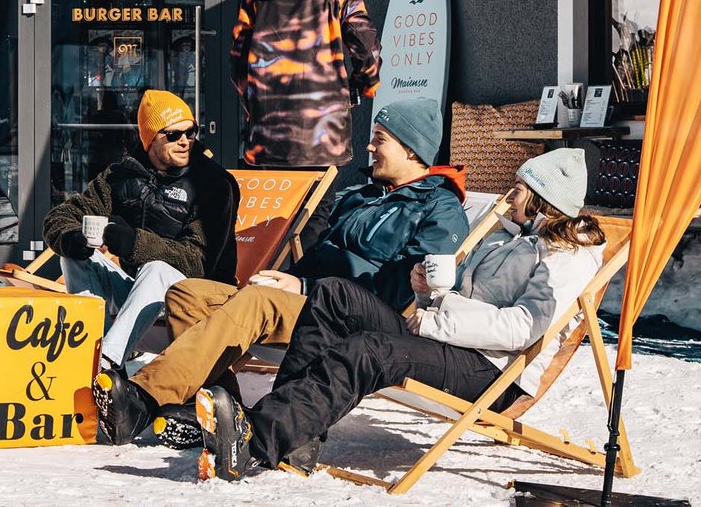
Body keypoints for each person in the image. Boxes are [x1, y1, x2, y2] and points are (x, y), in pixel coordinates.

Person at [195, 148, 606, 481]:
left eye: (518, 188)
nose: (508, 195)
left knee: (368, 350)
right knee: (334, 293)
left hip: (492, 369)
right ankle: (294, 434)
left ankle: (259, 440)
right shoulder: (506, 238)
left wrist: (437, 317)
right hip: (445, 339)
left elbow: (523, 328)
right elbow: (456, 301)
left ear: (541, 199)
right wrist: (426, 292)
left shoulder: (569, 257)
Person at [96, 99, 467, 447]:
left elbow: (403, 289)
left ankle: (142, 398)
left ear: (411, 149)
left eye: (379, 140)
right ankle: (218, 408)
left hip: (353, 318)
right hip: (306, 297)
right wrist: (287, 277)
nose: (369, 148)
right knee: (188, 294)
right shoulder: (362, 195)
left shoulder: (439, 209)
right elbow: (319, 255)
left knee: (258, 301)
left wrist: (301, 284)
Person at [43, 90, 238, 369]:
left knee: (155, 269)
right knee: (73, 257)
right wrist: (71, 237)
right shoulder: (122, 176)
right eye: (173, 135)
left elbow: (199, 262)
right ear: (150, 138)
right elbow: (62, 214)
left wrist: (134, 244)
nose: (185, 141)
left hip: (198, 305)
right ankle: (87, 346)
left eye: (190, 132)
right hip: (140, 303)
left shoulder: (214, 184)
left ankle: (104, 364)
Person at [230, 0, 380, 168]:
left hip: (267, 140)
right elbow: (367, 51)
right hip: (323, 137)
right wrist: (359, 88)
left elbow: (238, 66)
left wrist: (256, 106)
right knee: (317, 209)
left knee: (276, 208)